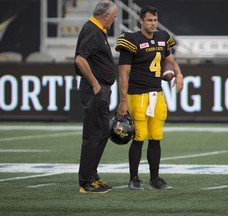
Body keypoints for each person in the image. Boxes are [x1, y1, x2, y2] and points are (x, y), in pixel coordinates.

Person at [115, 5, 184, 190]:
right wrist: (122, 101)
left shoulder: (162, 38)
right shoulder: (131, 40)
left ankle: (155, 178)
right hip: (137, 95)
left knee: (156, 136)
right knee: (139, 136)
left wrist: (178, 75)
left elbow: (171, 61)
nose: (153, 24)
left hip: (157, 94)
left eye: (155, 20)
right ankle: (134, 178)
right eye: (149, 20)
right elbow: (123, 74)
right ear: (141, 21)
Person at [74, 0, 118, 194]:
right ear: (106, 15)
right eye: (114, 16)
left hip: (100, 89)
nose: (115, 20)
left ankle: (92, 175)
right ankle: (86, 182)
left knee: (102, 132)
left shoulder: (97, 29)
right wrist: (95, 84)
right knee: (93, 135)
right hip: (95, 90)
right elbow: (80, 59)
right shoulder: (93, 29)